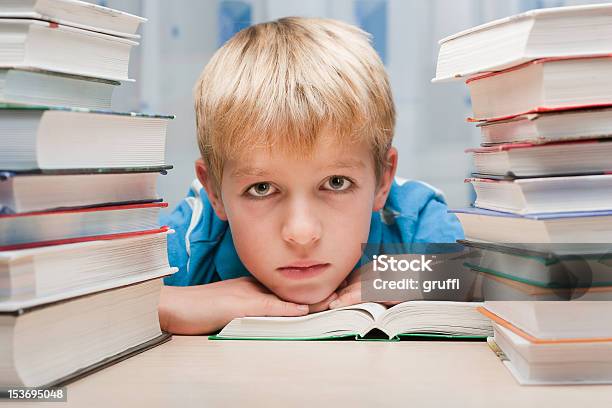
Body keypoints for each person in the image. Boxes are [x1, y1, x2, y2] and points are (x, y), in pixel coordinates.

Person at [158, 17, 463, 334]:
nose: (301, 233)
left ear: (382, 180)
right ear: (215, 191)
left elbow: (496, 276)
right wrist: (166, 305)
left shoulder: (408, 218)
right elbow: (106, 299)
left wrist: (420, 276)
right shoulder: (195, 239)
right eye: (262, 188)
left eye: (336, 183)